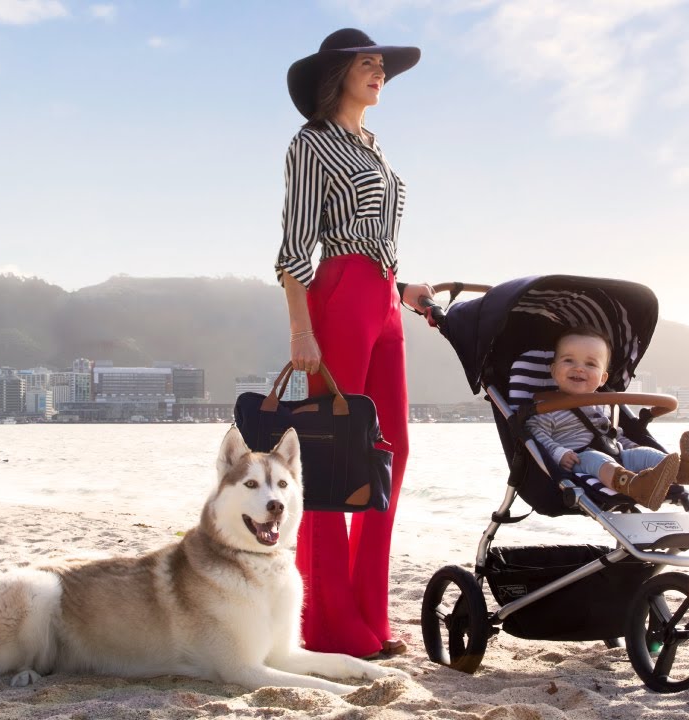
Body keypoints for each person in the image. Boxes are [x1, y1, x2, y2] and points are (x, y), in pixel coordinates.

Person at [274, 28, 433, 659]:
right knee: (334, 456)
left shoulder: (375, 145)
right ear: (336, 74)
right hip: (335, 299)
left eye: (382, 67)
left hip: (385, 301)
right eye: (367, 65)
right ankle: (330, 623)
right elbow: (295, 247)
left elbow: (374, 238)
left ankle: (370, 614)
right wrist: (300, 327)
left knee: (389, 453)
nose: (379, 74)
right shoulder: (311, 144)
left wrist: (403, 286)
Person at [526, 326, 689, 510]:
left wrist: (632, 449)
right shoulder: (547, 408)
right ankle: (636, 486)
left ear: (602, 378)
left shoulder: (604, 404)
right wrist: (559, 453)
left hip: (616, 454)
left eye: (590, 364)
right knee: (596, 458)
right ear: (553, 370)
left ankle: (685, 471)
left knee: (645, 454)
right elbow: (537, 436)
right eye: (568, 360)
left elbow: (612, 434)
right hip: (577, 460)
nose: (579, 368)